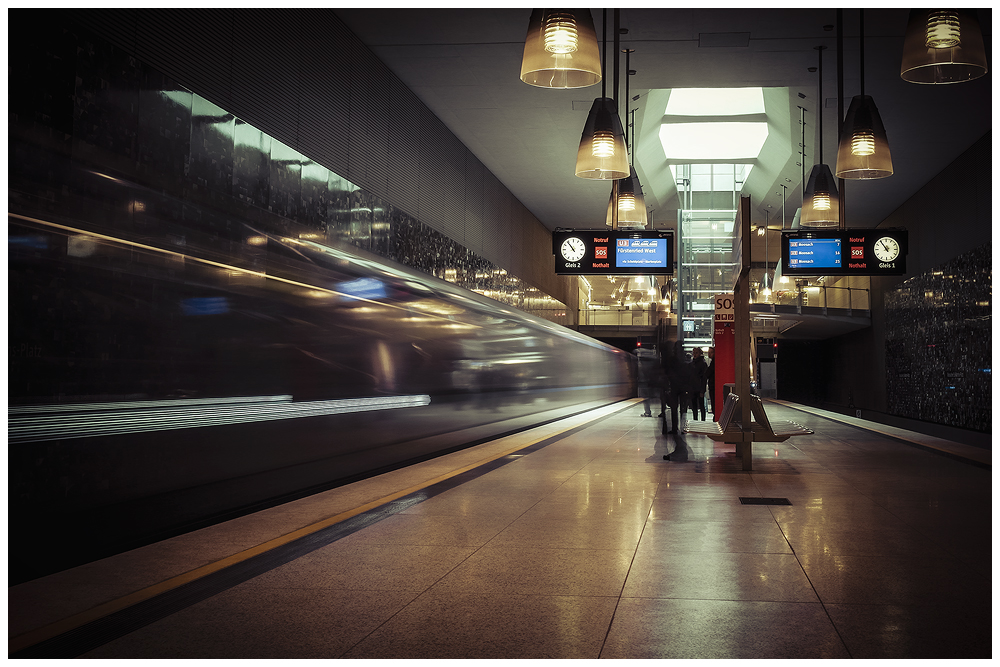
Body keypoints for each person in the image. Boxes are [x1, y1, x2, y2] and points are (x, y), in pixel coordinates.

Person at [690, 346, 708, 421]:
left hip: (698, 387)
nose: (694, 354)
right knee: (695, 405)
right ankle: (696, 419)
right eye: (693, 353)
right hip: (693, 387)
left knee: (700, 405)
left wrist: (702, 390)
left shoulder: (702, 364)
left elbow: (704, 378)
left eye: (696, 353)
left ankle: (702, 420)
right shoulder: (693, 363)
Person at [707, 346, 716, 417]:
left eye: (710, 352)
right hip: (713, 385)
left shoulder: (714, 362)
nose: (708, 354)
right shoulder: (713, 361)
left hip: (713, 385)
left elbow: (709, 372)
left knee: (714, 402)